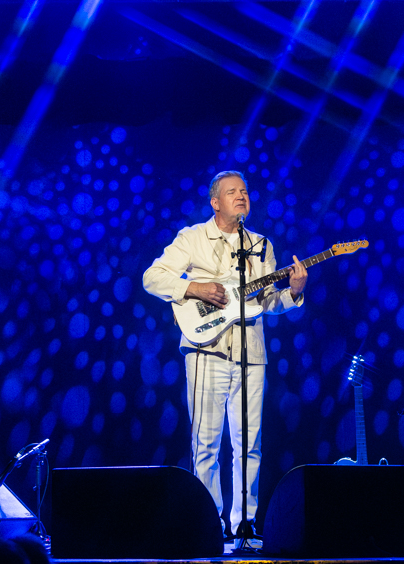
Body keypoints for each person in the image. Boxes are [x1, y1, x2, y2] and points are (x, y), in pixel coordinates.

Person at [143, 170, 308, 541]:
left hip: (251, 354)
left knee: (250, 445)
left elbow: (269, 303)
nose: (241, 196)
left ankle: (244, 522)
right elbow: (152, 277)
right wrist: (195, 288)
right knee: (205, 444)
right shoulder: (193, 238)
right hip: (206, 351)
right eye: (232, 192)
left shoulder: (261, 245)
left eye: (245, 191)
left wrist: (294, 293)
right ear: (215, 202)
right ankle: (207, 523)